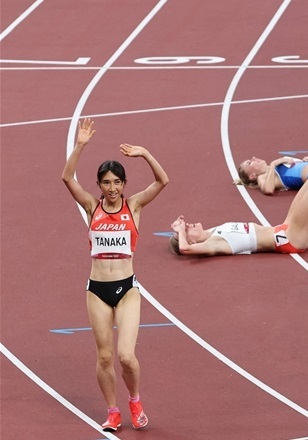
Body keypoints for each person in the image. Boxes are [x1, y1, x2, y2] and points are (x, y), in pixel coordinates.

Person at [62, 118, 169, 431]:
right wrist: (80, 145)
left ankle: (134, 399)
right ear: (99, 186)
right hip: (96, 289)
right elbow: (67, 178)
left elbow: (162, 181)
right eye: (106, 183)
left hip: (127, 289)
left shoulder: (134, 206)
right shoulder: (90, 206)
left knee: (125, 356)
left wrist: (145, 154)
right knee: (105, 357)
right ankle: (113, 411)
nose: (112, 188)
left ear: (124, 185)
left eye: (117, 183)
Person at [170, 173, 308, 256]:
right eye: (188, 229)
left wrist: (181, 228)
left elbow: (186, 243)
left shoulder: (213, 230)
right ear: (193, 242)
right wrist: (180, 233)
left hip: (282, 228)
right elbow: (186, 250)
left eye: (186, 224)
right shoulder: (215, 243)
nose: (189, 224)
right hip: (289, 240)